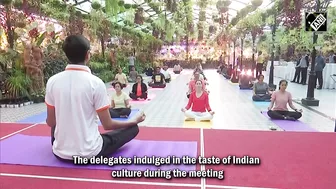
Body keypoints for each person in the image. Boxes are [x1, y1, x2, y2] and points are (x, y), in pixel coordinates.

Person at [45, 35, 145, 162]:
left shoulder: (52, 81)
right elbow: (108, 124)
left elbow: (50, 122)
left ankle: (66, 143)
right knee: (133, 129)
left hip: (59, 152)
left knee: (57, 114)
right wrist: (133, 121)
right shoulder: (96, 83)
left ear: (66, 55)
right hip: (90, 152)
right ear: (88, 55)